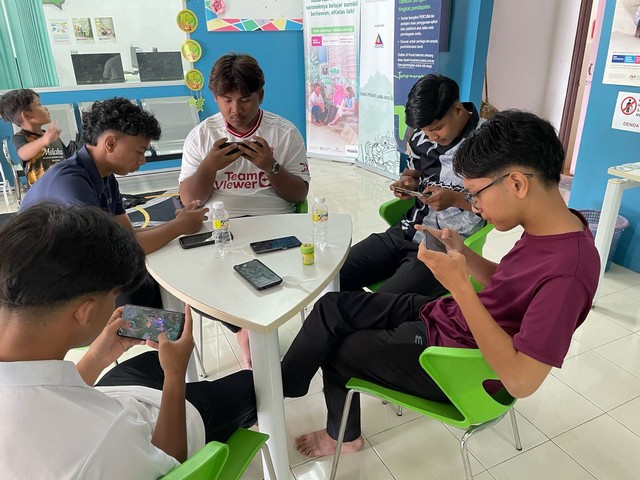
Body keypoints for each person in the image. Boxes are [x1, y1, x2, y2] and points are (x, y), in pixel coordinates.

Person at [281, 110, 600, 458]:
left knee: (339, 348)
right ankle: (279, 392)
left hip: (458, 362)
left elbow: (521, 381)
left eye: (476, 195)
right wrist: (463, 253)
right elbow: (511, 288)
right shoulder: (549, 228)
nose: (475, 208)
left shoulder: (568, 273)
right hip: (448, 320)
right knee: (332, 307)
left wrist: (461, 288)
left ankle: (340, 435)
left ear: (517, 184)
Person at [0, 203, 256, 478]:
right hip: (151, 431)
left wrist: (96, 358)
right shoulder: (101, 441)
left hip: (116, 405)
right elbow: (170, 461)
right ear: (85, 311)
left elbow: (50, 393)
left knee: (151, 360)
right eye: (114, 296)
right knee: (257, 385)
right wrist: (174, 377)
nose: (115, 303)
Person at [179, 53, 310, 368]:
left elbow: (299, 194)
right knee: (193, 283)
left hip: (273, 223)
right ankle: (242, 328)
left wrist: (270, 166)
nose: (235, 110)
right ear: (215, 98)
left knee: (271, 277)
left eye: (245, 100)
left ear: (260, 96)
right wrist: (209, 166)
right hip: (220, 226)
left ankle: (253, 326)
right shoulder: (203, 135)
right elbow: (189, 199)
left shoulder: (284, 132)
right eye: (226, 100)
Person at [20, 97, 208, 308]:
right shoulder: (71, 183)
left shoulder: (105, 177)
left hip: (71, 262)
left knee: (148, 281)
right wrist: (178, 227)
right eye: (139, 152)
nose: (142, 160)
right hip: (39, 282)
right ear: (110, 143)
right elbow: (114, 252)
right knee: (136, 289)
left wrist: (177, 223)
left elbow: (126, 236)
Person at [339, 74, 484, 296]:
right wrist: (407, 183)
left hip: (448, 246)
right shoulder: (420, 137)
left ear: (457, 109)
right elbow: (412, 173)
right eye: (425, 131)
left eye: (437, 128)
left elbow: (498, 204)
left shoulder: (487, 142)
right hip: (408, 231)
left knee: (383, 303)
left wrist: (454, 199)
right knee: (336, 274)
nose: (431, 137)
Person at [0, 89, 66, 186]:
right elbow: (23, 153)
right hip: (40, 192)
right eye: (39, 104)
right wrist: (44, 140)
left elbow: (67, 158)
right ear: (26, 115)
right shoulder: (20, 137)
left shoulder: (50, 136)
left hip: (60, 186)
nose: (45, 108)